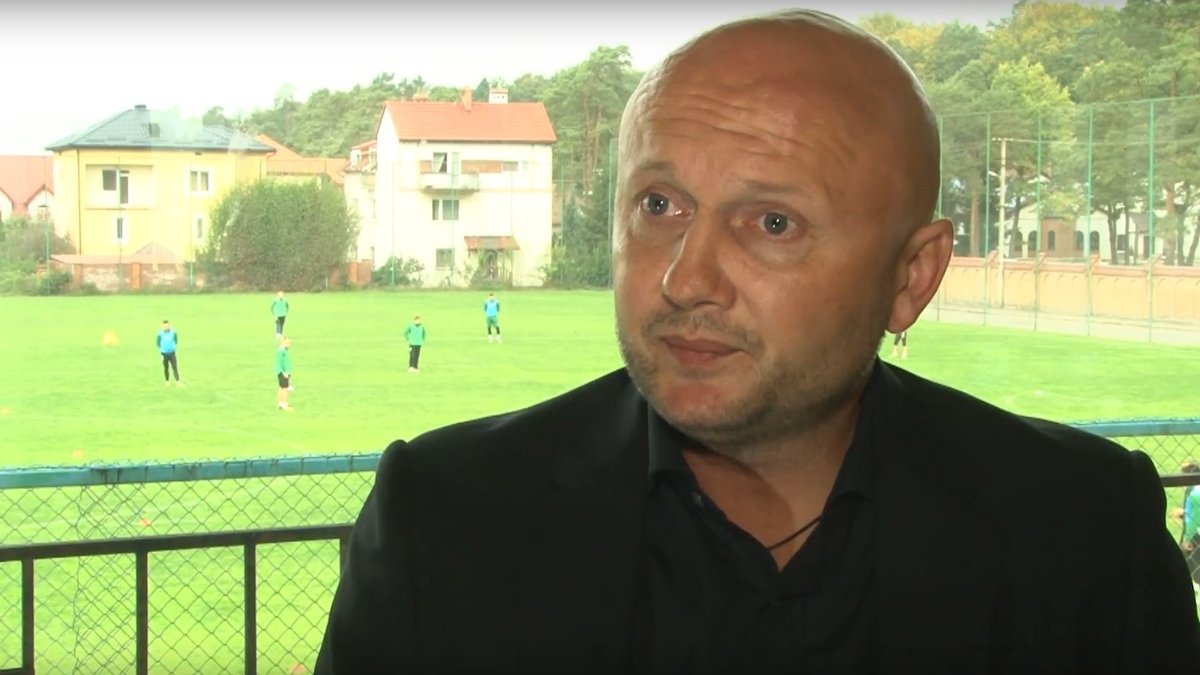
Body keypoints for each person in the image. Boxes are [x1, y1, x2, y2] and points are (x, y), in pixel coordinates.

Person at [315, 10, 1199, 674]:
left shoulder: (1085, 537)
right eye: (659, 205)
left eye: (772, 222)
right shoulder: (444, 522)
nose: (686, 278)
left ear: (911, 276)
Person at [1174, 461, 1200, 586]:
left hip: (1195, 537)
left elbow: (1193, 520)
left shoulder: (1193, 493)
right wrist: (1183, 513)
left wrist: (1187, 539)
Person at [156, 320, 182, 386]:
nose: (166, 327)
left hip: (172, 353)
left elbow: (176, 340)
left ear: (169, 326)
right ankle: (167, 381)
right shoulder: (160, 334)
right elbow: (158, 343)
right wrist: (162, 349)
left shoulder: (173, 332)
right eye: (164, 326)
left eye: (167, 326)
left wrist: (172, 347)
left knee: (174, 367)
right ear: (162, 326)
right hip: (164, 354)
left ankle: (177, 381)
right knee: (166, 368)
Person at [276, 336, 293, 411]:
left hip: (283, 372)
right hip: (282, 372)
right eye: (288, 343)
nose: (289, 344)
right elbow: (279, 363)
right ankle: (284, 404)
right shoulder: (281, 351)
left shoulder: (283, 350)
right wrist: (284, 373)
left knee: (281, 387)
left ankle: (280, 403)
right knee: (285, 388)